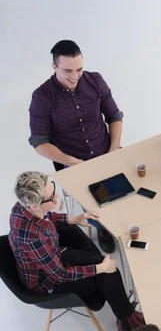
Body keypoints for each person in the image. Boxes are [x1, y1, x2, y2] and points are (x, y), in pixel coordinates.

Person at [9, 171, 144, 331]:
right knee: (108, 273)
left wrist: (75, 219)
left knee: (107, 268)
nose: (57, 197)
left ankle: (126, 317)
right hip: (48, 282)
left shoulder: (21, 208)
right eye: (52, 197)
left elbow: (46, 216)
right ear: (35, 205)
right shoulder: (32, 239)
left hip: (52, 256)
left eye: (54, 190)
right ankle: (127, 321)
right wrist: (99, 269)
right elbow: (59, 275)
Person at [28, 40, 123, 253]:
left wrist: (114, 148)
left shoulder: (95, 80)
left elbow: (114, 116)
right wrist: (72, 163)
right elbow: (39, 142)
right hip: (73, 162)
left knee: (126, 189)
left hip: (106, 150)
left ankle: (123, 218)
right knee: (96, 201)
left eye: (79, 69)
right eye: (68, 70)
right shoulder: (42, 97)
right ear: (54, 67)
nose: (75, 76)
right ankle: (102, 229)